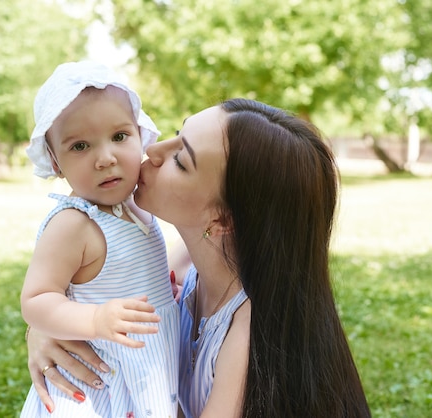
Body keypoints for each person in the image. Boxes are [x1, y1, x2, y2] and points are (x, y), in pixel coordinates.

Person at [26, 98, 371, 417]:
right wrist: (43, 330)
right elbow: (63, 296)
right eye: (177, 134)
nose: (153, 149)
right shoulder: (186, 267)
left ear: (222, 220)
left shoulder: (249, 330)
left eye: (180, 159)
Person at [20, 61, 179, 417]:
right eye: (79, 146)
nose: (105, 158)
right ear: (56, 163)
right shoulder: (74, 223)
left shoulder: (138, 204)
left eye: (119, 137)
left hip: (150, 363)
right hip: (106, 381)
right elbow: (36, 299)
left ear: (140, 136)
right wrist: (94, 320)